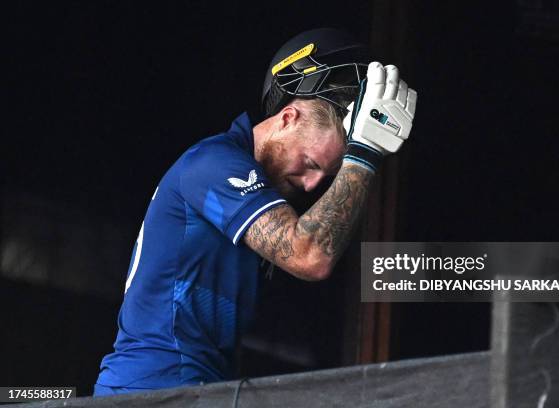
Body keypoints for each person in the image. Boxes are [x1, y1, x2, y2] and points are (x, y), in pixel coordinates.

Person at [93, 28, 417, 396]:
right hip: (155, 389)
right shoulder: (212, 163)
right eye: (310, 163)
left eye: (324, 176)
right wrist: (364, 153)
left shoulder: (256, 193)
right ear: (288, 118)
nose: (312, 185)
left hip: (196, 388)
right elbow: (309, 254)